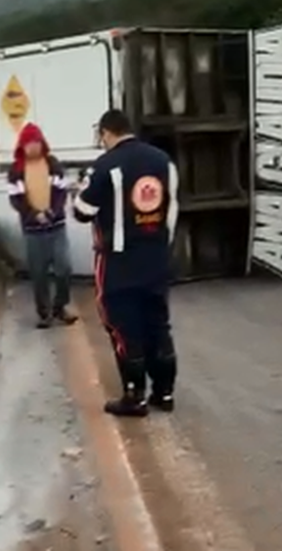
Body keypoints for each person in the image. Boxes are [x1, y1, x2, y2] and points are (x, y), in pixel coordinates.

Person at [71, 109, 178, 417]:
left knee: (123, 327)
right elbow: (172, 213)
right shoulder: (163, 162)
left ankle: (135, 397)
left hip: (119, 262)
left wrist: (79, 191)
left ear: (106, 133)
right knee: (158, 325)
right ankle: (165, 393)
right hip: (156, 258)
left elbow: (82, 210)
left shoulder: (105, 166)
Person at [6, 122, 77, 328]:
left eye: (36, 142)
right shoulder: (16, 170)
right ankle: (44, 312)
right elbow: (16, 198)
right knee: (39, 274)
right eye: (29, 143)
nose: (33, 147)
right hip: (32, 231)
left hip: (56, 227)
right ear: (22, 146)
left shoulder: (53, 164)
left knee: (64, 268)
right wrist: (33, 214)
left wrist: (52, 212)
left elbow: (61, 192)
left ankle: (60, 307)